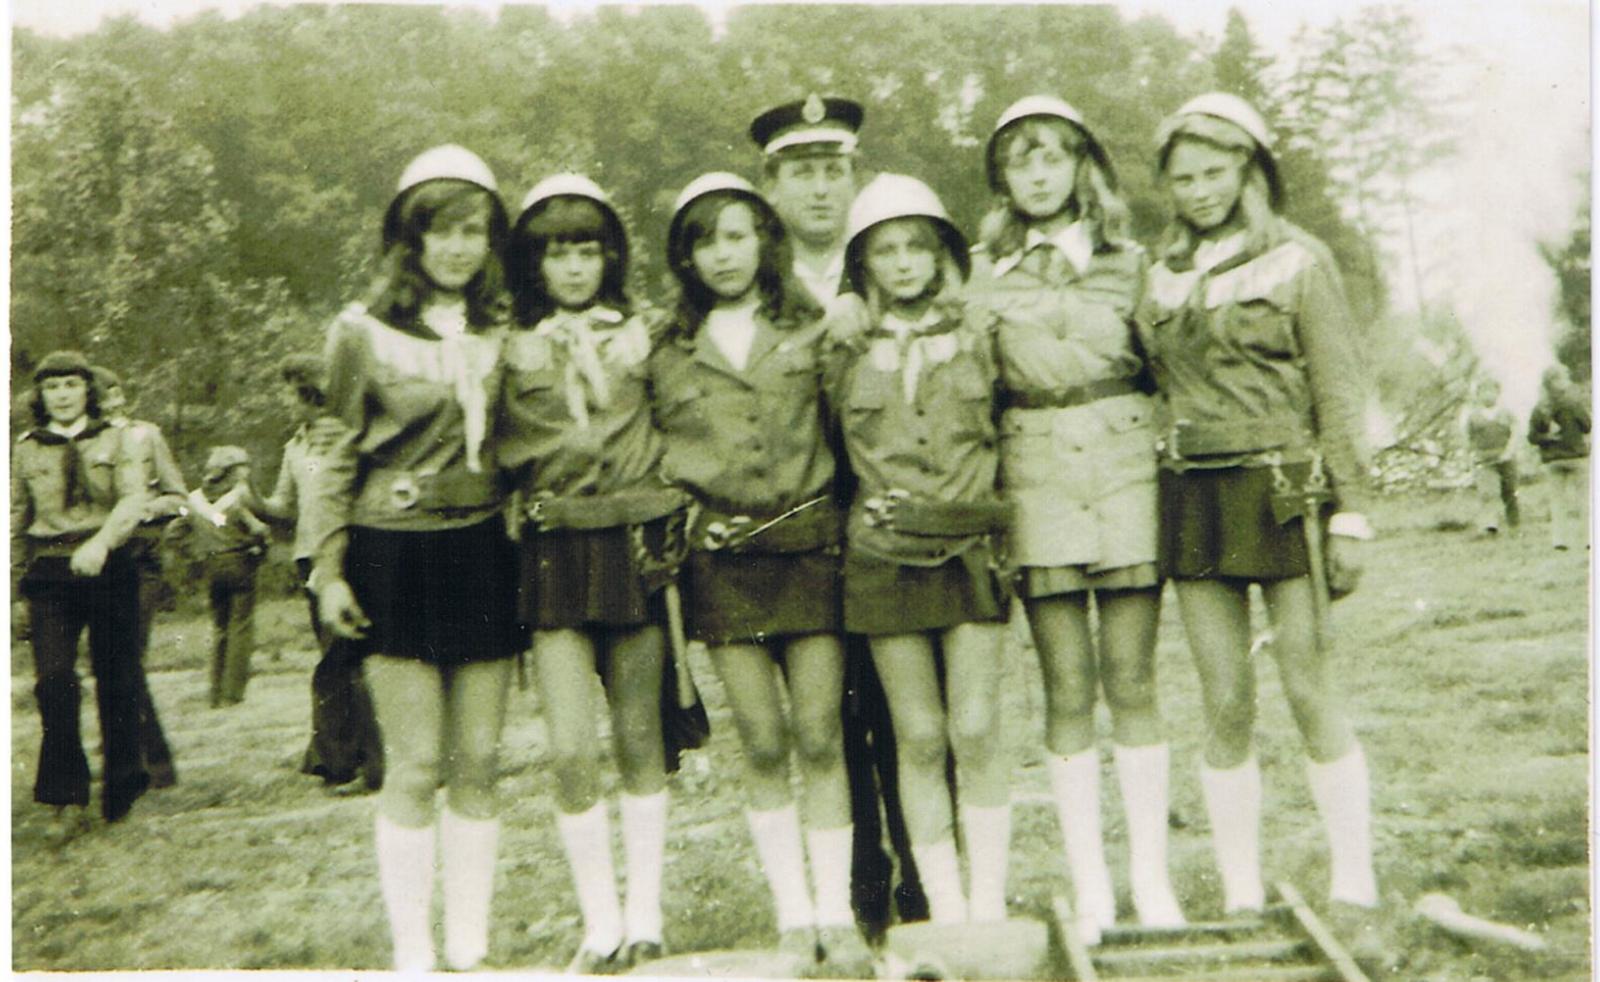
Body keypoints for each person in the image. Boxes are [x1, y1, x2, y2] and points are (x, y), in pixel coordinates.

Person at [1136, 94, 1378, 922]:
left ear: (1252, 171)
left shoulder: (1299, 261)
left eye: (1215, 173)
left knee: (1308, 686)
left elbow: (1338, 390)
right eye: (1183, 179)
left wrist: (1351, 513)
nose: (1200, 192)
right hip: (1192, 494)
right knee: (1225, 699)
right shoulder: (1158, 272)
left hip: (1284, 491)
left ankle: (1354, 882)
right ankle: (1240, 890)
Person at [967, 96, 1184, 942]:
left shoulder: (1132, 264)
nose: (1038, 175)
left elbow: (1174, 370)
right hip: (1037, 484)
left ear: (1082, 166)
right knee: (1066, 689)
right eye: (1019, 162)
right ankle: (1091, 887)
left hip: (1125, 476)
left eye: (1053, 157)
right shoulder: (982, 276)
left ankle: (1151, 883)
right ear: (1003, 181)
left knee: (1132, 681)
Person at [649, 172, 874, 975]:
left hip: (811, 550)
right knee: (764, 740)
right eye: (705, 242)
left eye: (738, 236)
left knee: (819, 733)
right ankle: (793, 915)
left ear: (764, 242)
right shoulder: (661, 348)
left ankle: (835, 914)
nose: (723, 255)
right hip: (724, 562)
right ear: (685, 257)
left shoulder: (812, 329)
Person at [301, 144, 518, 972]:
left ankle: (469, 947)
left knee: (480, 762)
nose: (459, 247)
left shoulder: (506, 330)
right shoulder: (360, 330)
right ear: (410, 238)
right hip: (393, 554)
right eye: (442, 230)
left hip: (484, 551)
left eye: (474, 231)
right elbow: (334, 451)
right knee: (418, 762)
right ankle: (414, 951)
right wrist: (328, 570)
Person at [497, 173, 687, 972]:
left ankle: (645, 917)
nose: (573, 268)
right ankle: (599, 923)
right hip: (552, 551)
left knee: (640, 737)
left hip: (633, 547)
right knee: (572, 748)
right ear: (531, 263)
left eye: (587, 251)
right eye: (556, 253)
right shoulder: (505, 346)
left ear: (610, 257)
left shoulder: (647, 335)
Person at [753, 92, 929, 938]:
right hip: (806, 525)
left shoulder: (890, 266)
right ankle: (863, 888)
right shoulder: (756, 284)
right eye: (801, 173)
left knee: (912, 712)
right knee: (833, 717)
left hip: (892, 518)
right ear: (772, 187)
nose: (821, 189)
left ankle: (928, 887)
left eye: (833, 170)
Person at [822, 174, 1014, 926]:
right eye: (884, 251)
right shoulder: (842, 348)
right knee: (921, 736)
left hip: (969, 549)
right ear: (862, 265)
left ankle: (988, 907)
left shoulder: (982, 335)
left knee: (975, 728)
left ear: (942, 257)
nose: (902, 263)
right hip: (885, 555)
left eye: (917, 247)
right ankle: (947, 910)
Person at [12, 350, 154, 839]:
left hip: (108, 564)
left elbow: (133, 499)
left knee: (117, 678)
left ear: (87, 390)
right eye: (52, 387)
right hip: (50, 572)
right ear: (40, 394)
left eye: (71, 384)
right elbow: (15, 518)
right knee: (53, 681)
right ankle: (64, 797)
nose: (62, 395)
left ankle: (122, 790)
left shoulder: (117, 438)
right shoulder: (26, 447)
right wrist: (12, 590)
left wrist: (102, 543)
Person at [249, 353, 383, 789]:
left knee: (347, 658)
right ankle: (339, 759)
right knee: (335, 658)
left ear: (309, 391)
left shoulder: (345, 434)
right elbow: (283, 507)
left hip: (348, 553)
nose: (284, 401)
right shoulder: (294, 446)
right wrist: (247, 497)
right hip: (309, 557)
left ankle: (361, 762)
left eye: (289, 393)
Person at [94, 365, 184, 788]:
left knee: (128, 656)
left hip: (138, 557)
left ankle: (153, 763)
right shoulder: (79, 441)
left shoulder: (146, 436)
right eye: (103, 395)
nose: (112, 401)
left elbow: (178, 497)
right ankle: (135, 757)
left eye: (115, 392)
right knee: (110, 662)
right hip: (90, 559)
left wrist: (142, 510)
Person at [187, 446, 269, 708]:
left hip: (211, 565)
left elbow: (176, 532)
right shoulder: (239, 497)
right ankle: (232, 694)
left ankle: (215, 692)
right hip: (240, 563)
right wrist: (260, 547)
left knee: (220, 628)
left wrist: (195, 552)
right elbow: (260, 529)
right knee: (241, 627)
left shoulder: (194, 499)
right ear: (231, 471)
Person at [1527, 364, 1590, 551]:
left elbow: (1532, 437)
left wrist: (1548, 438)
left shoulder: (1540, 408)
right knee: (1583, 499)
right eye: (1564, 378)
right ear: (1556, 381)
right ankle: (1589, 538)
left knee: (1558, 501)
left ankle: (1560, 540)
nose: (1567, 381)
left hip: (1552, 459)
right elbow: (1587, 426)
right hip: (1575, 456)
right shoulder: (1573, 403)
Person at [1462, 377, 1520, 533]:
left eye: (1491, 391)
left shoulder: (1506, 413)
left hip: (1506, 458)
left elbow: (1515, 433)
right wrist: (1470, 458)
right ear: (1478, 395)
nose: (1488, 395)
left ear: (1498, 393)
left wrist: (1508, 452)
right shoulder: (1473, 417)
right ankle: (1490, 525)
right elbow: (1468, 438)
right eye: (1484, 391)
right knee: (1487, 492)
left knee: (1510, 492)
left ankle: (1514, 525)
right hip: (1484, 459)